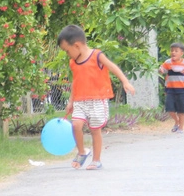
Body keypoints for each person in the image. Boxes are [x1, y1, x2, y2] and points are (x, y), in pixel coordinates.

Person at [57, 25, 136, 170]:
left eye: (67, 51)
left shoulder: (97, 56)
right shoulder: (73, 62)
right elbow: (76, 81)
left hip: (97, 100)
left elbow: (112, 67)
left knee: (95, 130)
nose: (67, 54)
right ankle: (82, 152)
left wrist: (125, 81)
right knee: (76, 125)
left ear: (77, 45)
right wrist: (70, 101)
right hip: (80, 100)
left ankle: (96, 160)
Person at [158, 42, 184, 133]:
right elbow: (162, 69)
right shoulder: (168, 62)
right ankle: (176, 122)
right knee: (170, 109)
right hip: (170, 89)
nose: (173, 53)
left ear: (181, 53)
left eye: (176, 51)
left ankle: (181, 128)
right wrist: (161, 70)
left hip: (182, 90)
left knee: (181, 111)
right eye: (172, 51)